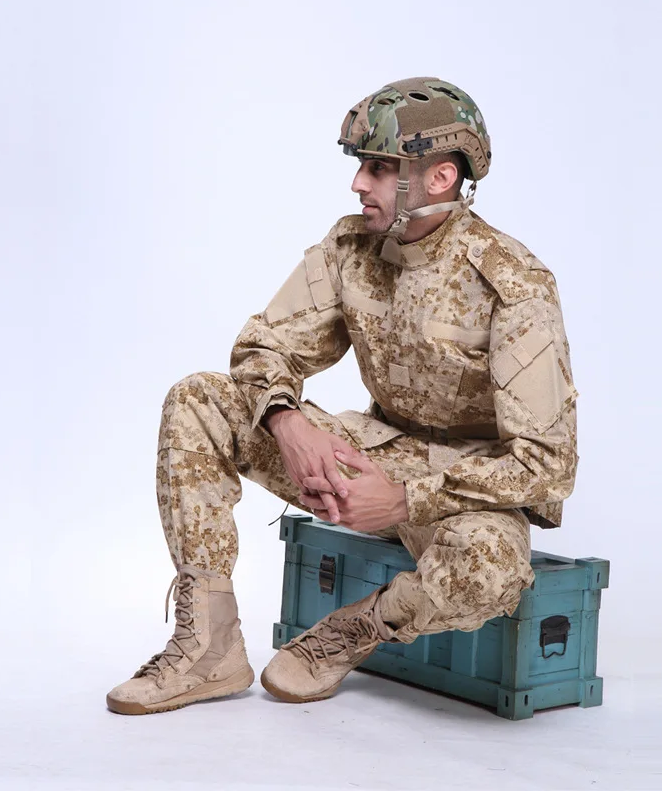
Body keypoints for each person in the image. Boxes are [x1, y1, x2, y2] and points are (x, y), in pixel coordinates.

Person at [105, 77, 579, 715]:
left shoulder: (513, 285)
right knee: (199, 400)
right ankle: (208, 650)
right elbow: (263, 347)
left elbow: (548, 464)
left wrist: (406, 499)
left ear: (440, 178)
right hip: (370, 453)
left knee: (488, 569)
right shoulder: (351, 247)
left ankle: (352, 633)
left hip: (463, 491)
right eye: (361, 165)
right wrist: (287, 422)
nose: (358, 183)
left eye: (379, 168)